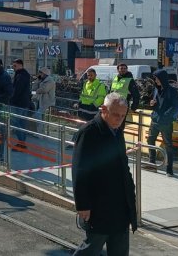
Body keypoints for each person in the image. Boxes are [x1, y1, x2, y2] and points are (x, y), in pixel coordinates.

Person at [72, 93, 137, 256]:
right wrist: (83, 204)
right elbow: (80, 170)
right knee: (91, 249)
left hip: (121, 206)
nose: (119, 119)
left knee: (120, 249)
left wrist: (131, 193)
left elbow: (123, 165)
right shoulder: (89, 132)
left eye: (123, 116)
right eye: (116, 115)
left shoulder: (117, 132)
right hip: (99, 205)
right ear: (103, 110)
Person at [9, 59, 32, 146]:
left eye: (14, 66)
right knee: (22, 124)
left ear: (20, 65)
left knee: (16, 123)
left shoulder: (20, 75)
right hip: (24, 103)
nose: (13, 68)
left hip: (18, 103)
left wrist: (11, 100)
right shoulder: (25, 75)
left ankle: (21, 142)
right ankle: (22, 142)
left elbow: (16, 90)